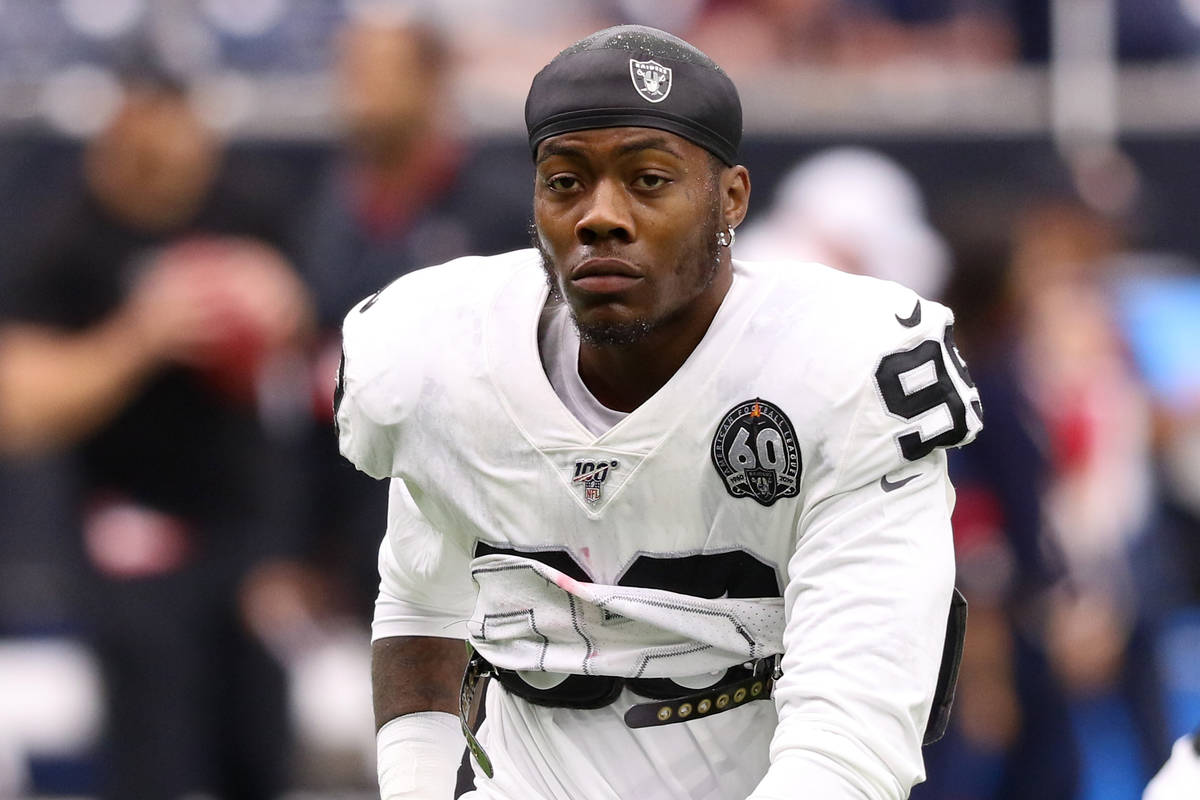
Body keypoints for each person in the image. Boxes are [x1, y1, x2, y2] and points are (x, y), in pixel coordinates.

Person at [336, 25, 983, 800]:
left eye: (648, 180)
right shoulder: (440, 354)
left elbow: (851, 741)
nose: (599, 216)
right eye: (566, 181)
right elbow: (419, 599)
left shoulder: (841, 375)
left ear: (731, 197)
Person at [0, 77, 312, 799]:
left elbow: (326, 360)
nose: (167, 153)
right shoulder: (67, 239)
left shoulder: (248, 214)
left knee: (259, 755)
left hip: (244, 536)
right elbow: (18, 408)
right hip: (132, 539)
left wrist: (283, 307)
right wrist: (140, 337)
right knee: (156, 764)